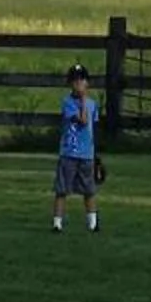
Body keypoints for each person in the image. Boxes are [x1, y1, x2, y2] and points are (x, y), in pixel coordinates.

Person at [51, 62, 101, 232]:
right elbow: (82, 120)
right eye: (75, 81)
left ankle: (93, 223)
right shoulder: (68, 103)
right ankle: (57, 223)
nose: (78, 84)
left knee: (89, 190)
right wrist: (82, 99)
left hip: (86, 154)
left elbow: (92, 128)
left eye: (82, 80)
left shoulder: (93, 105)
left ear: (87, 83)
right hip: (69, 153)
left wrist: (96, 153)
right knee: (62, 189)